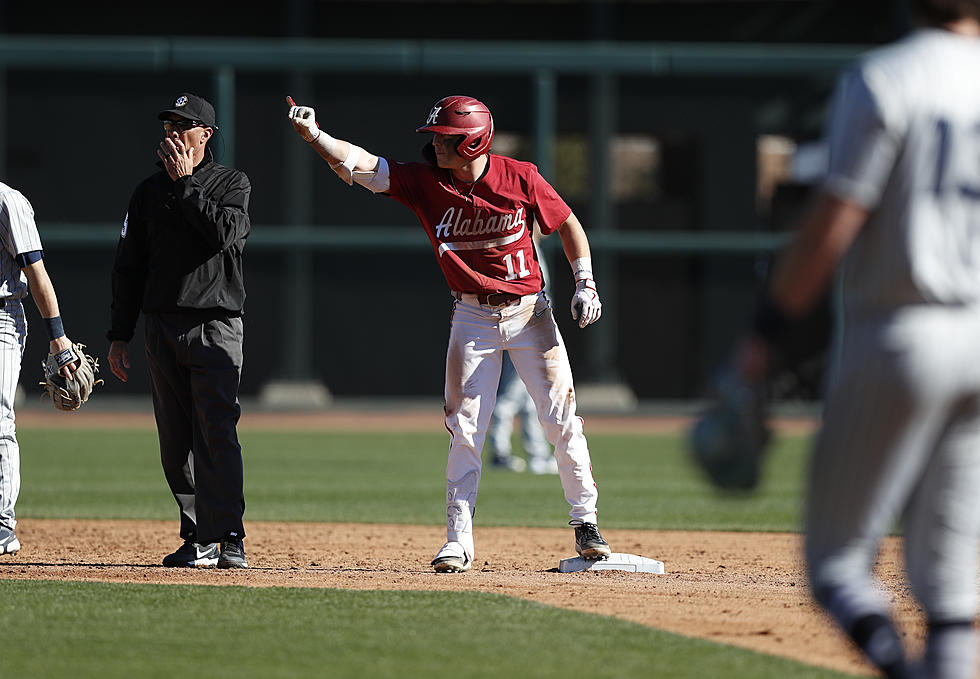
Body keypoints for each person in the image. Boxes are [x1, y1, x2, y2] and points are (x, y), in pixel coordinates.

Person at [731, 2, 980, 676]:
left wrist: (764, 335)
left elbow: (834, 222)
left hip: (901, 330)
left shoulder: (887, 77)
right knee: (954, 595)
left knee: (837, 564)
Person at [288, 94, 611, 573]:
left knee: (560, 418)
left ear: (474, 141)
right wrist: (316, 136)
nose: (436, 144)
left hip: (530, 313)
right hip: (473, 317)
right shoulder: (425, 183)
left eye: (446, 138)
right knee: (465, 429)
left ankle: (586, 523)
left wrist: (585, 281)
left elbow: (568, 224)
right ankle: (458, 540)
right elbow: (360, 165)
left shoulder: (519, 175)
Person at [107, 92, 251, 569]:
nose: (171, 133)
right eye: (168, 124)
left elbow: (224, 235)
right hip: (161, 327)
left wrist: (187, 184)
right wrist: (119, 333)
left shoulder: (231, 183)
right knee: (175, 442)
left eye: (182, 125)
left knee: (216, 433)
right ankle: (198, 537)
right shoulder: (147, 192)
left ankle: (228, 535)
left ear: (205, 135)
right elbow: (129, 267)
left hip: (214, 325)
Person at [0, 183, 82, 555]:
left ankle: (2, 523)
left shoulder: (8, 202)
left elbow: (35, 272)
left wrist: (58, 338)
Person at [487, 239, 558, 475]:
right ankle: (499, 451)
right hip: (525, 328)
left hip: (525, 326)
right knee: (511, 394)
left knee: (528, 397)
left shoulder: (531, 245)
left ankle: (538, 454)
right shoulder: (523, 245)